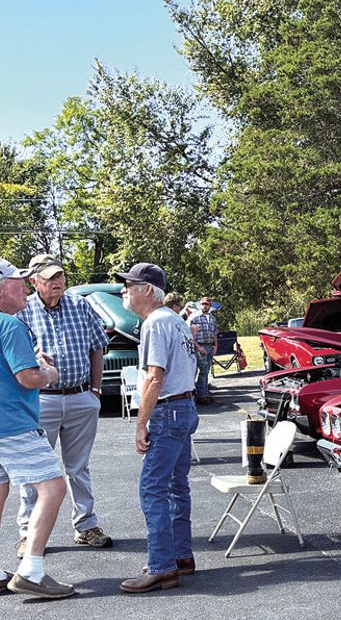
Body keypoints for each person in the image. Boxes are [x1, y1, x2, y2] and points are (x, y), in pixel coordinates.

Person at [0, 258, 74, 600]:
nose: (25, 287)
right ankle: (32, 571)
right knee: (53, 489)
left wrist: (29, 361)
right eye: (18, 282)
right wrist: (49, 374)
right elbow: (28, 378)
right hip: (9, 424)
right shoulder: (9, 326)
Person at [16, 253, 112, 556]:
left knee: (79, 467)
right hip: (40, 400)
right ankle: (29, 533)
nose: (57, 283)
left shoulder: (80, 305)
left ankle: (86, 526)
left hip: (80, 396)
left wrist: (95, 392)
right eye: (49, 278)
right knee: (34, 470)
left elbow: (98, 347)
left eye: (60, 277)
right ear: (34, 282)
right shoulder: (22, 311)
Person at [117, 262, 199, 594]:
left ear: (148, 291)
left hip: (169, 412)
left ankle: (162, 566)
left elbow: (154, 377)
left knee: (152, 489)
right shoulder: (176, 321)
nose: (124, 291)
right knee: (177, 486)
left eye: (130, 285)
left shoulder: (155, 323)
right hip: (185, 406)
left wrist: (140, 423)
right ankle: (180, 556)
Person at [190, 296, 218, 405]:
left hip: (210, 346)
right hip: (200, 346)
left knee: (206, 371)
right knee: (203, 370)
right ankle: (201, 395)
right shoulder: (195, 318)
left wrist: (216, 346)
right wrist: (198, 346)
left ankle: (205, 393)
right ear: (199, 305)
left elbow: (215, 333)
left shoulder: (212, 318)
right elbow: (191, 335)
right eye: (202, 304)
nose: (204, 306)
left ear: (210, 306)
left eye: (206, 304)